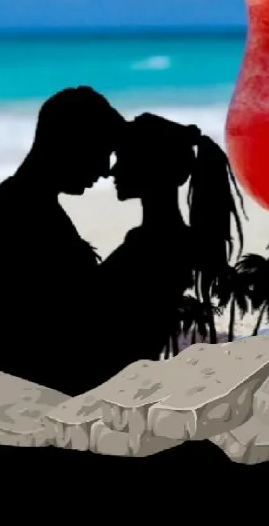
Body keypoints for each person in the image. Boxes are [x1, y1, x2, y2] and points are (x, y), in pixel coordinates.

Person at [0, 86, 125, 395]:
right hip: (40, 392)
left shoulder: (22, 201)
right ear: (70, 145)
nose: (106, 169)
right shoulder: (24, 211)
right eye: (101, 152)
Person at [95, 113, 245, 384]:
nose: (112, 171)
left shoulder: (153, 245)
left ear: (150, 167)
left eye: (123, 158)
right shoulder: (167, 240)